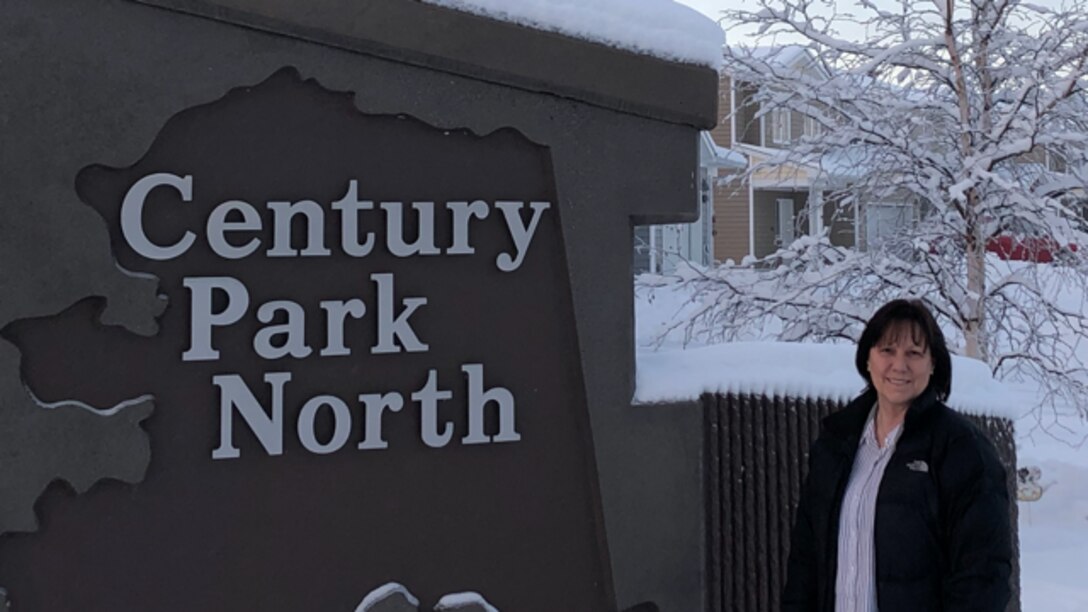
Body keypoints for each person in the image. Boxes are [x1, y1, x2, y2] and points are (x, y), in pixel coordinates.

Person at [782, 299, 1013, 612]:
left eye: (914, 354)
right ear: (867, 359)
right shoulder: (836, 444)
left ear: (933, 364)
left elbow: (983, 577)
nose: (899, 366)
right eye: (887, 350)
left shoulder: (961, 449)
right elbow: (805, 563)